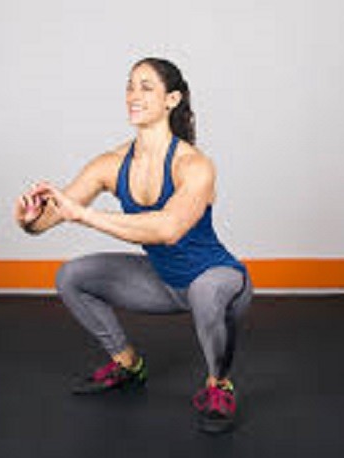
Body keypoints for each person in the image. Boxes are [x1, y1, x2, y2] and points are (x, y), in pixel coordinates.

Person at [13, 57, 253, 434]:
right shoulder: (111, 164)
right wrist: (30, 219)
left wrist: (84, 216)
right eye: (129, 86)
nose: (133, 95)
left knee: (205, 290)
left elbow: (168, 229)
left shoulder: (193, 165)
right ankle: (127, 365)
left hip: (218, 280)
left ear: (172, 99)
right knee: (71, 275)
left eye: (146, 87)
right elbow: (55, 214)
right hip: (162, 282)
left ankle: (218, 386)